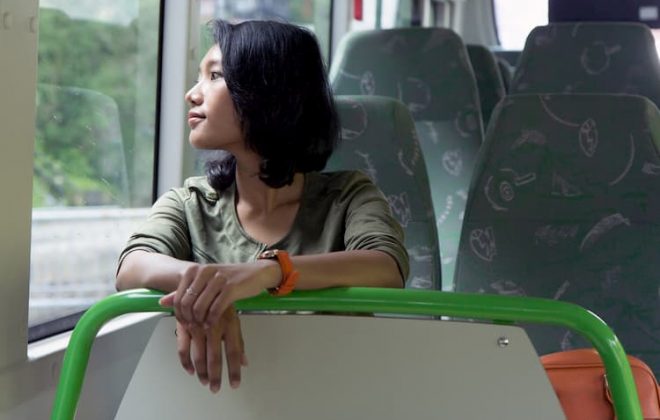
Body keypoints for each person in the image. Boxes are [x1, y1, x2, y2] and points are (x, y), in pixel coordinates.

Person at [115, 19, 409, 395]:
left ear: (268, 92)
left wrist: (267, 272)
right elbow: (133, 266)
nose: (192, 94)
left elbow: (386, 267)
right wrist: (211, 289)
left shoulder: (348, 195)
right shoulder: (190, 204)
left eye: (214, 76)